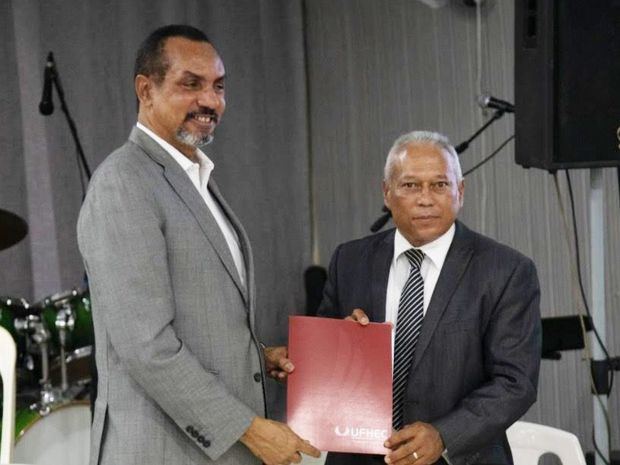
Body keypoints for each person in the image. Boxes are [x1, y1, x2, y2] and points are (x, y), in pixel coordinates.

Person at [77, 24, 319, 465]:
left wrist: (255, 356)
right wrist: (251, 430)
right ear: (145, 90)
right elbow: (147, 347)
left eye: (218, 87)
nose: (210, 100)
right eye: (191, 84)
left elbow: (197, 315)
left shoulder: (195, 180)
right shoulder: (123, 182)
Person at [316, 131, 541, 465]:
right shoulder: (349, 261)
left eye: (439, 185)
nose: (426, 199)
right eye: (410, 186)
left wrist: (445, 435)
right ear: (387, 193)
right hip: (359, 457)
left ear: (459, 192)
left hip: (460, 457)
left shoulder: (506, 270)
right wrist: (342, 342)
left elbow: (515, 382)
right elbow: (321, 359)